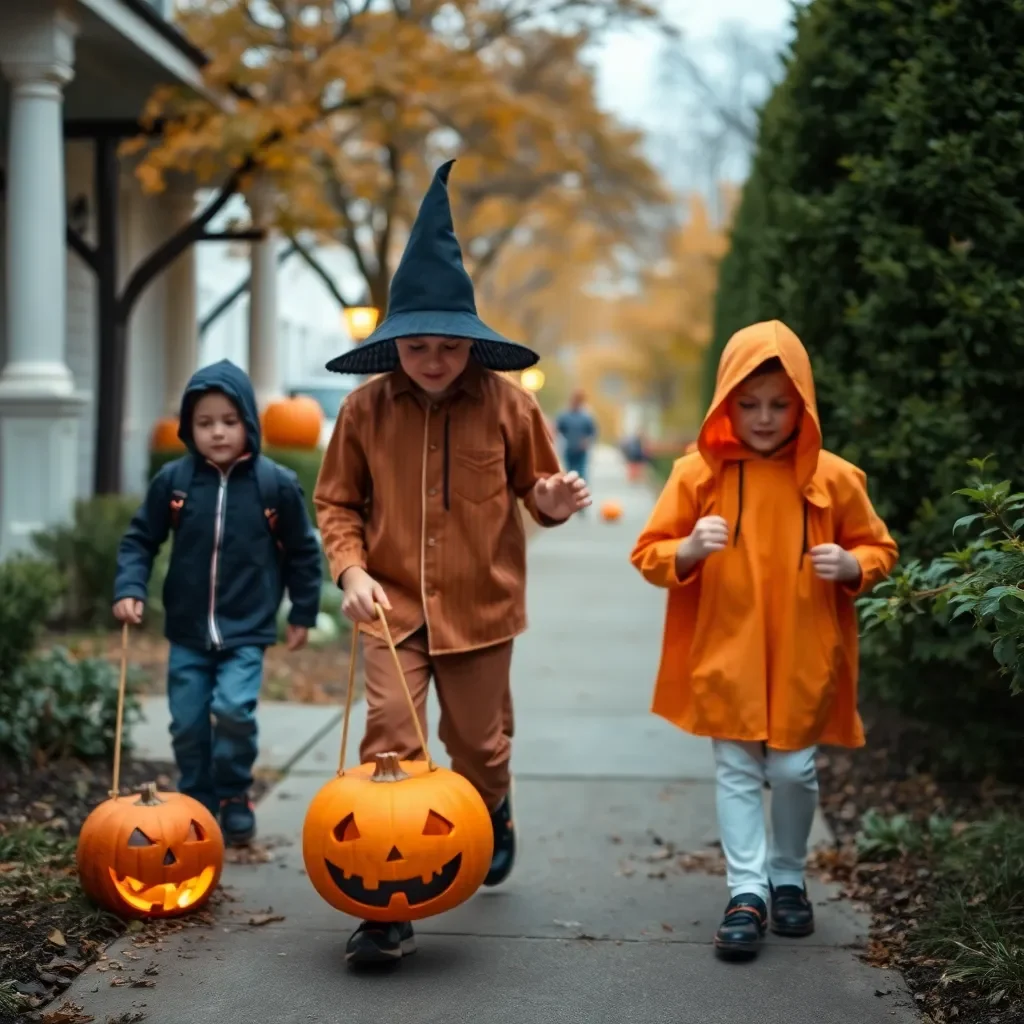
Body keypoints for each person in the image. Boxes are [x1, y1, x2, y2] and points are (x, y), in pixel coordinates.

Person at [314, 159, 591, 967]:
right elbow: (336, 504)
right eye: (417, 346)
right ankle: (381, 905)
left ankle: (493, 811)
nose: (433, 360)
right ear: (393, 344)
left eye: (448, 347)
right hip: (388, 605)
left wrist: (554, 501)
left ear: (472, 346)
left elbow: (535, 491)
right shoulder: (364, 411)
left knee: (478, 748)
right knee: (392, 745)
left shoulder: (511, 405)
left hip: (482, 604)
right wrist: (351, 571)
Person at [630, 320, 897, 961]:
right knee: (738, 770)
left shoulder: (833, 478)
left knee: (794, 768)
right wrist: (689, 547)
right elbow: (649, 552)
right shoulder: (700, 474)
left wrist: (855, 565)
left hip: (805, 650)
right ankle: (747, 892)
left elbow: (880, 547)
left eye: (781, 404)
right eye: (748, 404)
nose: (765, 417)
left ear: (802, 402)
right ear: (725, 402)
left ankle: (788, 874)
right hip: (727, 649)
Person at [112, 360, 323, 847]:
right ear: (189, 427)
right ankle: (198, 798)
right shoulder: (175, 482)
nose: (218, 433)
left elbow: (303, 552)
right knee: (186, 721)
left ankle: (233, 793)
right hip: (187, 630)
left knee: (233, 711)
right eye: (205, 424)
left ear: (249, 421)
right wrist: (129, 588)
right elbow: (140, 540)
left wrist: (303, 612)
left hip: (245, 629)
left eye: (229, 421)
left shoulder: (276, 485)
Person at [556, 389, 597, 483]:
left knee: (581, 472)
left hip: (581, 449)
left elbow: (592, 432)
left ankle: (581, 491)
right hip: (569, 447)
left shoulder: (586, 416)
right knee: (569, 472)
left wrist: (587, 441)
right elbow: (558, 429)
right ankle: (571, 493)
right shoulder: (564, 415)